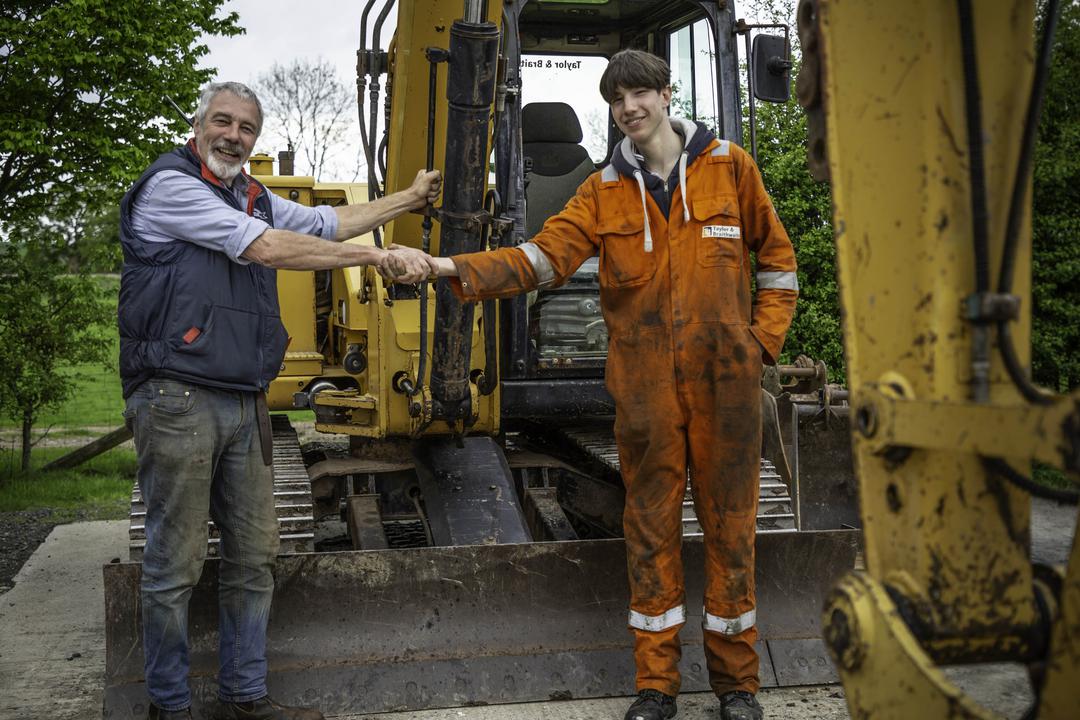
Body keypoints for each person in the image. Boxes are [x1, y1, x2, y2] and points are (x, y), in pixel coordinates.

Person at [426, 50, 797, 720]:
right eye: (617, 99)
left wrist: (759, 344)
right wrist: (446, 265)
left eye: (639, 94)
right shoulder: (602, 191)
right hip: (646, 390)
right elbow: (540, 260)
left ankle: (737, 687)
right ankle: (656, 688)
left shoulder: (730, 168)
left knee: (732, 530)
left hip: (727, 387)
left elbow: (776, 259)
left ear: (665, 93)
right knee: (650, 532)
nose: (629, 108)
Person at [118, 81, 439, 720]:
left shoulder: (253, 195)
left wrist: (407, 198)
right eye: (223, 122)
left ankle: (245, 697)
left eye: (246, 129)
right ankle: (169, 705)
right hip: (177, 396)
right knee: (174, 560)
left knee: (255, 555)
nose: (234, 135)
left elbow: (327, 221)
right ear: (199, 123)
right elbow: (265, 247)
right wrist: (375, 258)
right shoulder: (170, 187)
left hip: (244, 399)